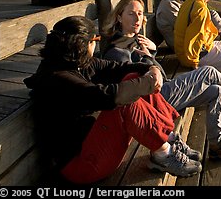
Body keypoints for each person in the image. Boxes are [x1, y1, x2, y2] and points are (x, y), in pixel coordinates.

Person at [23, 16, 202, 185]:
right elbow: (109, 97)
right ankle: (163, 154)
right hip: (80, 166)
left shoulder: (75, 62)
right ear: (84, 44)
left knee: (132, 78)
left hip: (91, 145)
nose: (96, 45)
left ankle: (168, 138)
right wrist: (148, 81)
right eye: (95, 40)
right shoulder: (57, 77)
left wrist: (150, 68)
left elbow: (120, 68)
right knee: (125, 100)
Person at [101, 0, 221, 161]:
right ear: (119, 16)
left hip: (163, 90)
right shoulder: (118, 51)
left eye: (141, 13)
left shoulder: (135, 40)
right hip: (154, 100)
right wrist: (150, 58)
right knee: (209, 72)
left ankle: (218, 144)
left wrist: (152, 51)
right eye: (131, 13)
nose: (137, 18)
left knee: (217, 91)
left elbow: (150, 68)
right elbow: (133, 85)